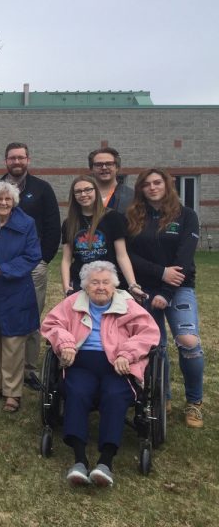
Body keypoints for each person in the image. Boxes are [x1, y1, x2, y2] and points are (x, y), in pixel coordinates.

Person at [41, 261, 160, 487]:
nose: (101, 287)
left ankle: (106, 462)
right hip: (81, 363)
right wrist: (65, 343)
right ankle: (79, 460)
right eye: (95, 282)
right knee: (76, 391)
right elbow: (52, 324)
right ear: (85, 286)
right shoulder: (72, 303)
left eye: (106, 282)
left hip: (118, 367)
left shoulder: (128, 305)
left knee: (115, 395)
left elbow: (149, 334)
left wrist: (127, 353)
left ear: (114, 286)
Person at [126, 168, 205, 429]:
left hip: (178, 287)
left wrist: (167, 292)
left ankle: (194, 402)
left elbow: (184, 258)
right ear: (140, 188)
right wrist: (159, 274)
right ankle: (163, 397)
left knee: (188, 341)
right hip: (146, 288)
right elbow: (128, 256)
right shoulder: (133, 217)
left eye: (157, 182)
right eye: (146, 184)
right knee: (155, 345)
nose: (152, 187)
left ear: (167, 185)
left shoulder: (186, 216)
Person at [0, 143, 60, 390]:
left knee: (28, 319)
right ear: (6, 160)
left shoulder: (42, 188)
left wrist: (43, 258)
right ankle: (1, 379)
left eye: (21, 157)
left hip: (32, 264)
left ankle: (28, 369)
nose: (16, 161)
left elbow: (52, 224)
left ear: (28, 159)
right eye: (12, 158)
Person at [0, 181, 41, 413]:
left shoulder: (27, 224)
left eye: (7, 199)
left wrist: (4, 269)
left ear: (14, 202)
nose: (3, 203)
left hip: (16, 290)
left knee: (13, 343)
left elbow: (33, 256)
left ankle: (13, 393)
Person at [60, 175, 145, 299]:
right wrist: (66, 287)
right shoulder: (69, 223)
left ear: (96, 191)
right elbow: (66, 260)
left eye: (88, 189)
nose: (83, 194)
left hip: (109, 281)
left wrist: (133, 285)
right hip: (82, 282)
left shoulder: (113, 217)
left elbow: (122, 255)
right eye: (78, 191)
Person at [88, 147, 133, 215]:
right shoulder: (84, 194)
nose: (104, 168)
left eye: (109, 164)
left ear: (117, 167)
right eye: (98, 164)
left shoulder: (131, 196)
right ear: (91, 169)